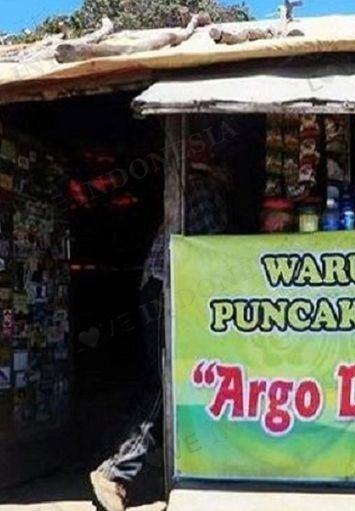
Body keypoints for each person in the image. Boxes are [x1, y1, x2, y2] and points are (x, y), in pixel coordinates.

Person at [89, 159, 230, 511]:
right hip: (167, 291)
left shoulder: (195, 188)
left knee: (165, 380)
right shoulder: (205, 191)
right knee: (166, 384)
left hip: (162, 290)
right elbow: (216, 247)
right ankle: (115, 474)